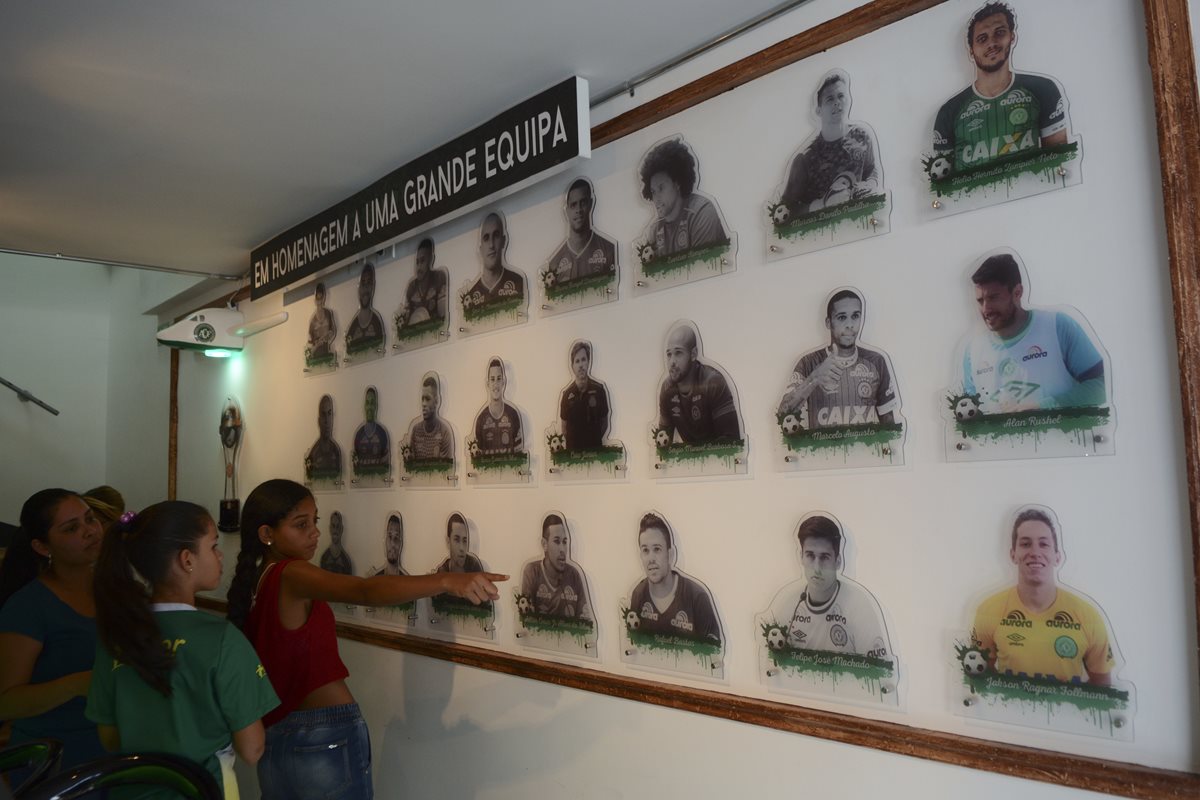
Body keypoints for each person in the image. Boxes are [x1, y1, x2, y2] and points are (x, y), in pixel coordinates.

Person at [226, 479, 504, 800]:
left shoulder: (258, 580)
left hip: (280, 733)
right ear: (267, 534)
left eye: (314, 521)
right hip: (323, 735)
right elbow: (364, 590)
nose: (314, 532)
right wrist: (445, 580)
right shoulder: (291, 574)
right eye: (300, 525)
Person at [87, 501, 278, 798]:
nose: (219, 555)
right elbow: (252, 749)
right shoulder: (223, 639)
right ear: (187, 559)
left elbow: (110, 737)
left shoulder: (115, 636)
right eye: (213, 546)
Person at [0, 490, 106, 770]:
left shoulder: (115, 591)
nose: (90, 531)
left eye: (90, 519)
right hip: (53, 760)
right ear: (42, 547)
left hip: (114, 751)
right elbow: (6, 702)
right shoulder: (28, 607)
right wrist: (75, 685)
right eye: (72, 528)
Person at [971, 508, 1115, 684]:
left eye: (1044, 544)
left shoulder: (1088, 616)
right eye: (1025, 544)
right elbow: (979, 678)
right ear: (1013, 555)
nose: (1035, 552)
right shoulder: (988, 610)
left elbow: (1103, 687)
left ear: (1057, 557)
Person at [959, 253, 1106, 413]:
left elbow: (1101, 386)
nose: (986, 309)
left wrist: (1045, 406)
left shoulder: (1057, 326)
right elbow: (970, 414)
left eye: (993, 297)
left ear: (1017, 292)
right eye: (980, 301)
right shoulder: (973, 351)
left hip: (1058, 437)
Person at [933, 3, 1069, 173]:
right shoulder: (949, 112)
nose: (992, 43)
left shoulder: (1044, 90)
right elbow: (942, 183)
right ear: (971, 51)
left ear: (1012, 36)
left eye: (999, 33)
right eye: (982, 38)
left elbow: (1061, 164)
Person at [766, 515, 891, 659]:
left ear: (837, 561)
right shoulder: (789, 605)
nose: (817, 568)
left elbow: (880, 672)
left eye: (825, 557)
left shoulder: (860, 608)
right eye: (810, 556)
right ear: (801, 557)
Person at [778, 289, 900, 429]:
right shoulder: (807, 363)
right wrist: (814, 378)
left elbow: (889, 423)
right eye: (842, 317)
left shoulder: (877, 361)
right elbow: (782, 415)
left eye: (855, 316)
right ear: (828, 323)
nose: (850, 325)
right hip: (822, 450)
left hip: (866, 451)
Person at [779, 71, 881, 216]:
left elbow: (871, 169)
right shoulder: (805, 159)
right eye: (829, 99)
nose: (837, 102)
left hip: (862, 225)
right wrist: (823, 204)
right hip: (823, 234)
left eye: (841, 96)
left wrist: (871, 184)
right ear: (819, 111)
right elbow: (786, 211)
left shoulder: (862, 137)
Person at [629, 513, 721, 644]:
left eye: (657, 549)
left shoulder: (697, 597)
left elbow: (713, 654)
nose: (651, 559)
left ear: (670, 555)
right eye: (645, 550)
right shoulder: (638, 595)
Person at [639, 138, 728, 258]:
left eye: (661, 188)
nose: (656, 199)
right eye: (653, 192)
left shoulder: (702, 211)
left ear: (677, 183)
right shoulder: (655, 230)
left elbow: (703, 268)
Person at [657, 322, 741, 445]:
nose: (672, 362)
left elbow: (731, 441)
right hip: (689, 463)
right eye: (669, 354)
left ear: (693, 354)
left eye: (678, 353)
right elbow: (662, 443)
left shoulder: (713, 382)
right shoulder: (667, 389)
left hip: (719, 461)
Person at [519, 514, 592, 621]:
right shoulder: (532, 572)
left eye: (565, 542)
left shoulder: (574, 575)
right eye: (557, 541)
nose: (562, 549)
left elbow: (585, 622)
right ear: (544, 544)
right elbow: (526, 620)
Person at [548, 179, 617, 284]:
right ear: (567, 211)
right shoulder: (554, 264)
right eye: (573, 205)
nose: (578, 210)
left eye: (583, 203)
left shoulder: (609, 250)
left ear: (590, 204)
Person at [464, 213, 524, 308]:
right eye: (486, 238)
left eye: (496, 235)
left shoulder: (518, 282)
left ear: (503, 241)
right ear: (480, 248)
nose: (491, 245)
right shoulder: (471, 296)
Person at [559, 340, 610, 451]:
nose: (581, 365)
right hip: (573, 454)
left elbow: (604, 423)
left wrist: (591, 441)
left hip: (595, 451)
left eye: (583, 360)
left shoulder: (599, 390)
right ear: (572, 366)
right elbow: (564, 428)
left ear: (588, 362)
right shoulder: (566, 395)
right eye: (577, 361)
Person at [432, 513, 490, 611]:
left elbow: (485, 606)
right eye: (457, 540)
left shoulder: (474, 566)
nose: (462, 548)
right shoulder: (442, 571)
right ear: (448, 541)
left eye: (465, 541)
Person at [473, 358, 523, 455]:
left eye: (498, 379)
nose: (495, 384)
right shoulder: (481, 419)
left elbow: (519, 456)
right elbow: (478, 461)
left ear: (503, 382)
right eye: (492, 379)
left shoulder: (513, 415)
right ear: (488, 384)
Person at [398, 238, 448, 327]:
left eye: (422, 261)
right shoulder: (412, 287)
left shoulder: (439, 277)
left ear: (431, 259)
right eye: (417, 262)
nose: (419, 267)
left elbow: (443, 315)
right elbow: (405, 321)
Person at [407, 374, 454, 460]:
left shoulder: (444, 433)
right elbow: (410, 467)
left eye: (428, 399)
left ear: (436, 401)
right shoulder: (415, 431)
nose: (424, 404)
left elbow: (445, 470)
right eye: (422, 399)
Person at [345, 262, 385, 349]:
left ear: (373, 287)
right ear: (358, 288)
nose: (366, 287)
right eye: (363, 283)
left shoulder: (376, 322)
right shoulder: (353, 327)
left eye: (369, 282)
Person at [352, 387, 390, 471]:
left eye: (372, 403)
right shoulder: (358, 435)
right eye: (367, 403)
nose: (369, 407)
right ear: (364, 406)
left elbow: (385, 465)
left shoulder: (382, 434)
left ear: (376, 406)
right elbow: (355, 463)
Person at [306, 394, 342, 476]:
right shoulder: (313, 454)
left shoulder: (336, 451)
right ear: (319, 421)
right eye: (323, 415)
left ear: (332, 418)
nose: (327, 420)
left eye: (329, 414)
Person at [307, 282, 336, 359]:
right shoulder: (312, 321)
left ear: (324, 298)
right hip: (316, 353)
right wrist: (316, 344)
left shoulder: (328, 313)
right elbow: (309, 340)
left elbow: (332, 331)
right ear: (315, 299)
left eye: (321, 297)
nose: (319, 300)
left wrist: (328, 335)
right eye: (317, 297)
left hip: (326, 350)